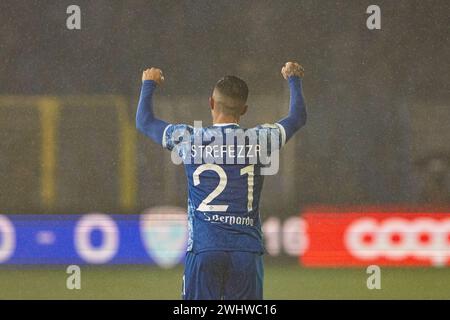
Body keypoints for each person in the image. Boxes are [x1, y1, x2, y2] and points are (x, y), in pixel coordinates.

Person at [136, 62, 307, 299]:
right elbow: (297, 117)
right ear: (244, 110)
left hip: (205, 248)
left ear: (211, 103)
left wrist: (148, 84)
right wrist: (294, 80)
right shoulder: (258, 140)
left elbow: (144, 121)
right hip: (246, 251)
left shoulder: (190, 139)